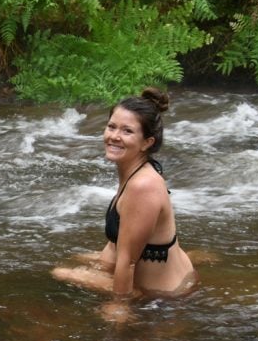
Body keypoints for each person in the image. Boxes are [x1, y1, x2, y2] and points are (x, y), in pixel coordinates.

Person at [52, 87, 197, 321]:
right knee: (78, 259)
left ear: (146, 142)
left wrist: (118, 308)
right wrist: (98, 265)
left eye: (127, 131)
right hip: (174, 276)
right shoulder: (137, 171)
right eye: (112, 127)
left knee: (59, 272)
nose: (114, 136)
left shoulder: (142, 186)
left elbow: (128, 263)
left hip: (165, 296)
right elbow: (117, 241)